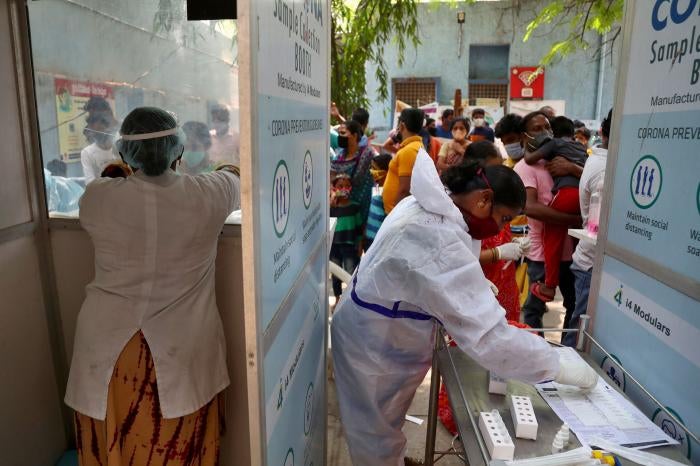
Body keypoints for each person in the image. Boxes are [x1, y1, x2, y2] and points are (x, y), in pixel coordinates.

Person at [332, 151, 599, 466]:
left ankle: (394, 459)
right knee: (374, 435)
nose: (500, 227)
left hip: (379, 333)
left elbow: (417, 269)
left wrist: (465, 284)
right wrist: (558, 365)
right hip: (376, 347)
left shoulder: (428, 204)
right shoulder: (439, 237)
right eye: (502, 219)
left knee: (385, 424)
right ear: (484, 199)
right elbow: (491, 339)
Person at [65, 107, 240, 466]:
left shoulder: (99, 197)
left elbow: (110, 180)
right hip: (181, 352)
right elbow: (235, 175)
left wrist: (122, 171)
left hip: (110, 354)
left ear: (125, 152)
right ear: (177, 150)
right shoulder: (208, 193)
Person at [514, 112, 582, 333]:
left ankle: (569, 352)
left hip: (571, 251)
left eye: (547, 127)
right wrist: (574, 220)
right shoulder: (524, 168)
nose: (545, 132)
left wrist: (572, 169)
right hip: (541, 254)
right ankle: (536, 357)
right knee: (534, 309)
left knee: (574, 306)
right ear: (525, 136)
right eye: (537, 128)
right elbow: (530, 207)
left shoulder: (560, 159)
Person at [524, 116, 587, 302]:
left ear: (552, 132)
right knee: (578, 240)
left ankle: (549, 286)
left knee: (551, 238)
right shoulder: (582, 148)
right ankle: (578, 278)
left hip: (566, 194)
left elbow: (530, 159)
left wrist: (528, 146)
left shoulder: (554, 143)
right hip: (583, 197)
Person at [563, 109, 611, 347]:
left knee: (580, 328)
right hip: (592, 263)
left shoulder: (599, 160)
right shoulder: (605, 170)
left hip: (590, 261)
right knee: (579, 335)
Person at [332, 120, 375, 228]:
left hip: (362, 206)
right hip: (343, 209)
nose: (339, 136)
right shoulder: (339, 156)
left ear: (354, 135)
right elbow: (332, 178)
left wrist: (338, 181)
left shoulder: (367, 154)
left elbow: (355, 180)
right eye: (339, 133)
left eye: (343, 133)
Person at [382, 108, 425, 214]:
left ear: (401, 125)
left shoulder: (409, 150)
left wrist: (395, 216)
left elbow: (404, 190)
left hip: (396, 213)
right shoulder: (411, 147)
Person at [330, 174, 364, 303]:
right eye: (340, 186)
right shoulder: (331, 208)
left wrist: (360, 245)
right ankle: (338, 299)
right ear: (334, 188)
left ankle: (350, 300)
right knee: (336, 274)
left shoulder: (354, 207)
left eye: (347, 186)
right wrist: (331, 201)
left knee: (351, 272)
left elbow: (360, 228)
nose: (344, 189)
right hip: (334, 246)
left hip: (350, 246)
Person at [81, 112, 119, 184]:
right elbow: (90, 182)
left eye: (100, 128)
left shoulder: (119, 148)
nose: (96, 133)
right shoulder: (87, 152)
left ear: (107, 129)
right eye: (92, 131)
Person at [364, 153, 391, 250]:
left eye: (375, 168)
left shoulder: (389, 191)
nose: (372, 171)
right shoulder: (375, 186)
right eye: (372, 168)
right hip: (369, 237)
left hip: (380, 241)